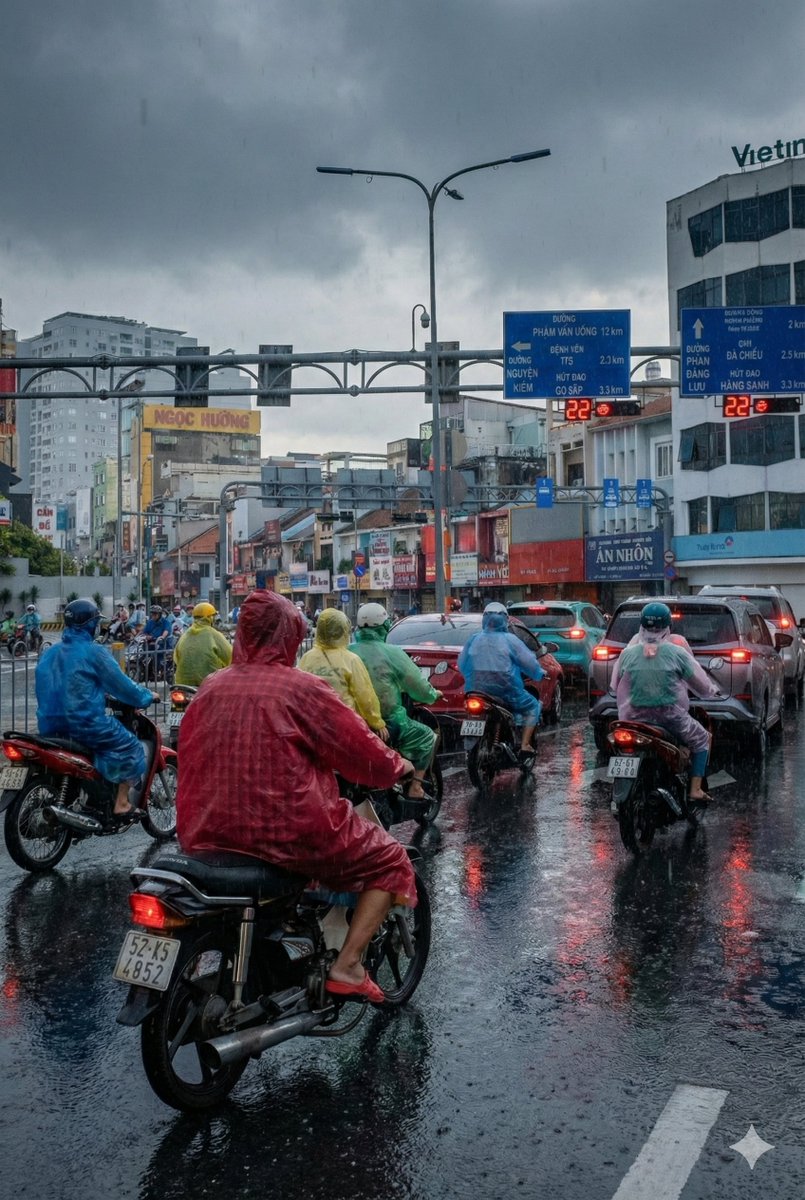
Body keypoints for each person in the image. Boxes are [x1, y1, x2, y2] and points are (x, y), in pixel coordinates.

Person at [176, 589, 417, 1005]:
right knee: (391, 859)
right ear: (290, 637)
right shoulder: (300, 689)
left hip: (204, 832)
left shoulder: (211, 687)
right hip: (288, 833)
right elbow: (359, 747)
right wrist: (399, 767)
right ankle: (347, 965)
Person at [35, 598, 158, 821]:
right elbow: (124, 686)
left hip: (49, 726)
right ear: (90, 624)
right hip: (86, 726)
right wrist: (148, 696)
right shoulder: (94, 652)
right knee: (131, 746)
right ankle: (121, 804)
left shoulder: (50, 653)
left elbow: (64, 686)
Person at [611, 601, 719, 803]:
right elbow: (702, 686)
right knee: (702, 739)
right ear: (668, 625)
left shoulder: (627, 654)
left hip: (632, 718)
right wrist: (712, 691)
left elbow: (614, 685)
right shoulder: (677, 653)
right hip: (669, 718)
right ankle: (695, 789)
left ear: (641, 625)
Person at [351, 603, 441, 800]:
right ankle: (416, 787)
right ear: (384, 627)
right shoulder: (392, 653)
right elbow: (418, 687)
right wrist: (433, 695)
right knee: (427, 737)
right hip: (388, 721)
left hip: (350, 723)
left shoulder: (347, 652)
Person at [457, 601, 545, 763]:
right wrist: (539, 673)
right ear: (505, 620)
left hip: (477, 690)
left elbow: (462, 665)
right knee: (533, 706)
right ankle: (525, 744)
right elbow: (529, 663)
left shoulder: (474, 639)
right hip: (506, 691)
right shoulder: (511, 640)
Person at [298, 608, 388, 741]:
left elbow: (299, 693)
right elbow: (365, 695)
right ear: (344, 630)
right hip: (345, 727)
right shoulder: (351, 659)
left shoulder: (306, 658)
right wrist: (377, 722)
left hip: (313, 727)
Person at [174, 601, 233, 686]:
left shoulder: (185, 635)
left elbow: (176, 658)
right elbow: (230, 656)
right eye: (213, 616)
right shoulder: (214, 634)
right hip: (210, 684)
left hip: (183, 683)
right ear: (210, 618)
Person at [142, 603, 173, 675]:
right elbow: (145, 632)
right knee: (143, 653)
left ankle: (157, 671)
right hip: (151, 643)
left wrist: (161, 637)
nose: (153, 616)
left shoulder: (166, 622)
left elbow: (166, 632)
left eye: (155, 614)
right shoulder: (150, 622)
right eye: (152, 614)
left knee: (157, 655)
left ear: (159, 615)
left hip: (163, 644)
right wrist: (146, 636)